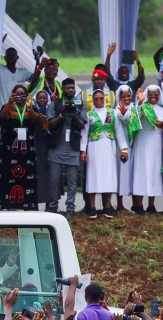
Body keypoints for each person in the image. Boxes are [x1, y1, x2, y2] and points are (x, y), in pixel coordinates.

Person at [0, 85, 45, 210]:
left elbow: (34, 121)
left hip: (27, 150)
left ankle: (28, 204)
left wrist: (29, 107)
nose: (20, 95)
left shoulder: (31, 108)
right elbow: (1, 119)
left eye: (22, 93)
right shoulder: (7, 107)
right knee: (8, 176)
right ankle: (8, 204)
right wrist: (9, 103)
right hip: (9, 150)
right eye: (17, 93)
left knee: (27, 177)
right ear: (12, 94)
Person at [46, 78, 86, 220]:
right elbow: (50, 124)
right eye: (68, 88)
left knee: (72, 181)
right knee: (54, 179)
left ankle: (70, 208)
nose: (71, 90)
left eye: (72, 88)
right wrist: (62, 114)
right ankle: (52, 207)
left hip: (73, 147)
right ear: (62, 89)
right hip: (57, 147)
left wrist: (74, 114)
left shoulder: (80, 104)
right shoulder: (55, 104)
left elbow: (82, 126)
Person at [80, 89, 117, 218]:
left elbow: (119, 132)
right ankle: (92, 207)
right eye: (96, 99)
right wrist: (83, 151)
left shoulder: (112, 113)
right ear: (93, 100)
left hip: (108, 147)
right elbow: (84, 134)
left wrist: (123, 149)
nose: (99, 101)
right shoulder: (89, 114)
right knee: (93, 176)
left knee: (108, 176)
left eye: (101, 98)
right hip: (94, 148)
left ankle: (107, 206)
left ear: (105, 99)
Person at [132, 85, 163, 214]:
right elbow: (136, 116)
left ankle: (151, 205)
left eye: (156, 95)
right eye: (150, 94)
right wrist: (140, 101)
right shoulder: (142, 106)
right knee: (141, 171)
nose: (153, 97)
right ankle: (139, 205)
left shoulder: (162, 110)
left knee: (154, 172)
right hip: (143, 141)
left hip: (157, 142)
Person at [114, 85, 140, 214]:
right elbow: (123, 118)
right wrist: (124, 113)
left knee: (132, 173)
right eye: (123, 96)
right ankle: (119, 205)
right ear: (119, 97)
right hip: (122, 145)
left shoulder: (135, 106)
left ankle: (136, 204)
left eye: (128, 96)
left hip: (133, 143)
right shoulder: (118, 108)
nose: (126, 98)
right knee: (122, 174)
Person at [33, 90, 51, 210]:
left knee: (49, 177)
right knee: (35, 176)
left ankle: (49, 204)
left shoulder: (51, 111)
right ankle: (34, 203)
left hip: (48, 147)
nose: (42, 100)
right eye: (40, 98)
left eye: (45, 98)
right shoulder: (33, 111)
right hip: (35, 146)